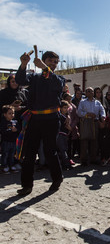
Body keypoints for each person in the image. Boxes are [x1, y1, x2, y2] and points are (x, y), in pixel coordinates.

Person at [15, 50, 65, 195]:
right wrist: (23, 64)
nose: (54, 64)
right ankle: (27, 185)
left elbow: (56, 84)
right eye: (50, 61)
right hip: (35, 119)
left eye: (56, 62)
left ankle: (57, 178)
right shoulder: (34, 77)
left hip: (51, 120)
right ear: (43, 60)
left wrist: (45, 68)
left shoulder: (58, 78)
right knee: (29, 153)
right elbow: (20, 80)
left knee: (50, 151)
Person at [77, 87, 106, 165]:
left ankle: (93, 159)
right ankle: (84, 160)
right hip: (85, 122)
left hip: (95, 122)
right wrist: (87, 114)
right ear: (86, 93)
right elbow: (79, 112)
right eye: (88, 91)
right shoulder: (82, 102)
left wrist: (103, 117)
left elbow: (102, 110)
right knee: (84, 141)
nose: (90, 93)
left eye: (92, 91)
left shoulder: (97, 102)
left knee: (94, 141)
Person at [0, 105, 20, 173]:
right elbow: (2, 131)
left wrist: (16, 130)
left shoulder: (15, 122)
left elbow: (19, 130)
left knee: (12, 154)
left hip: (13, 141)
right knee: (5, 154)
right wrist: (10, 131)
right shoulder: (3, 122)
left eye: (13, 113)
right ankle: (4, 166)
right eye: (9, 113)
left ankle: (11, 165)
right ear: (5, 114)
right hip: (6, 141)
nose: (12, 115)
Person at [57, 100, 72, 170]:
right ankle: (66, 165)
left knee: (64, 149)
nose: (66, 109)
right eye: (64, 108)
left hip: (65, 135)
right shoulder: (59, 116)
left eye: (67, 108)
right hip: (60, 135)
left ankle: (64, 164)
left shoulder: (66, 116)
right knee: (63, 150)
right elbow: (67, 127)